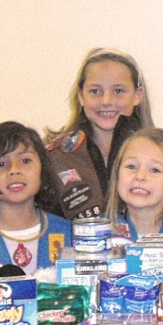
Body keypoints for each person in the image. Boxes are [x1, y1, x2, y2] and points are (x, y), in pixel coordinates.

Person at [45, 48, 153, 220]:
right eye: (95, 91)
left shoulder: (162, 154)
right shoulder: (56, 158)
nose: (106, 101)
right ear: (81, 96)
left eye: (118, 91)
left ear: (137, 95)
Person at [0, 122, 72, 276]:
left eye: (25, 161)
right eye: (1, 163)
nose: (14, 170)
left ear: (43, 167)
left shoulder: (69, 234)